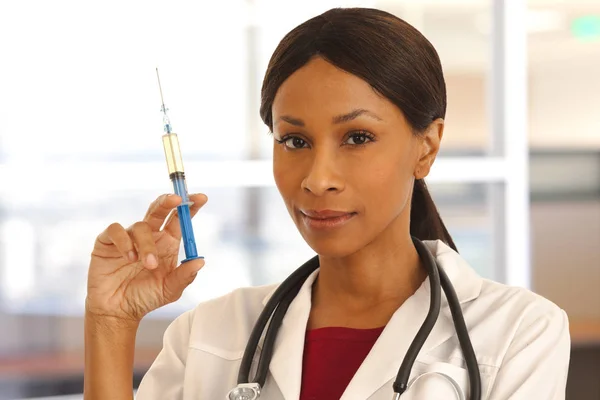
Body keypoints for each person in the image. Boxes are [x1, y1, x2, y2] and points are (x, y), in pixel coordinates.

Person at [83, 7, 571, 400]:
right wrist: (111, 322)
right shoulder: (209, 335)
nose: (317, 180)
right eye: (294, 141)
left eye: (357, 137)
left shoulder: (517, 333)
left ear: (426, 146)